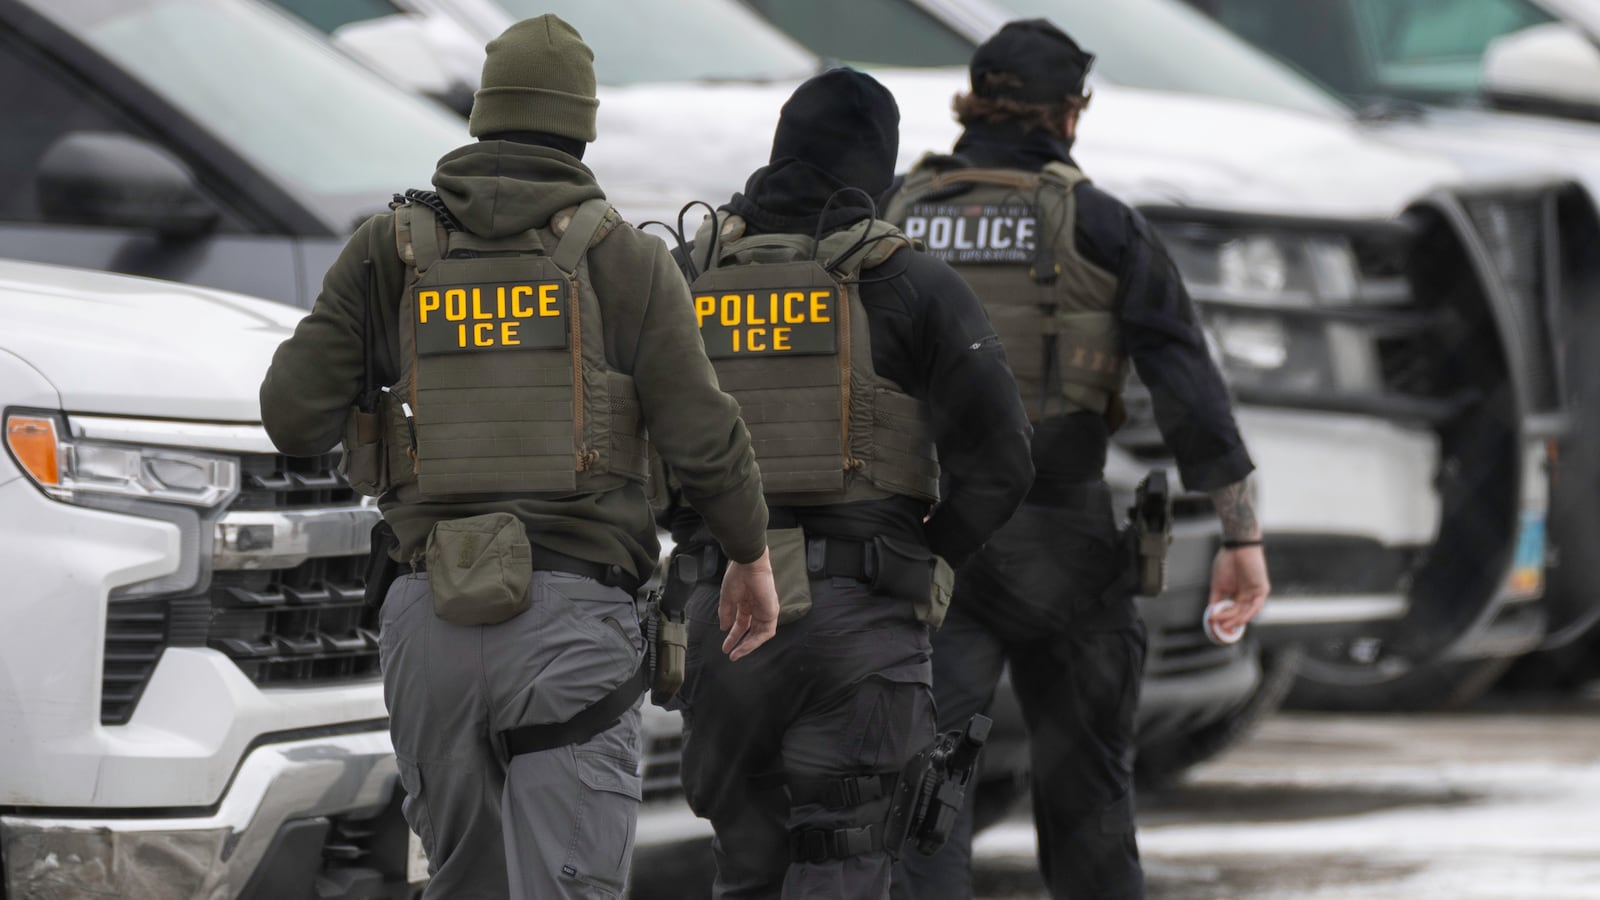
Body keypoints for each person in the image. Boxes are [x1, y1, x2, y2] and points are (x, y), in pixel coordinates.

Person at [259, 16, 779, 900]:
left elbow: (292, 416)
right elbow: (702, 433)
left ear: (479, 117)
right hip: (576, 629)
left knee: (464, 886)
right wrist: (749, 554)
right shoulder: (628, 260)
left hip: (429, 623)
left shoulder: (390, 250)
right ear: (583, 126)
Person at [884, 19, 1272, 900]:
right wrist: (1242, 540)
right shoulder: (1103, 227)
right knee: (1088, 790)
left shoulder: (891, 217)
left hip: (926, 537)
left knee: (924, 793)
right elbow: (1190, 393)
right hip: (1064, 533)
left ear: (972, 103)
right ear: (1068, 117)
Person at [657, 68, 1035, 899]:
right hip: (863, 621)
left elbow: (636, 446)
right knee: (847, 858)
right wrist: (928, 560)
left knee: (747, 866)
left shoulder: (687, 274)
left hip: (720, 618)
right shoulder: (910, 282)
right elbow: (1004, 457)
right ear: (880, 173)